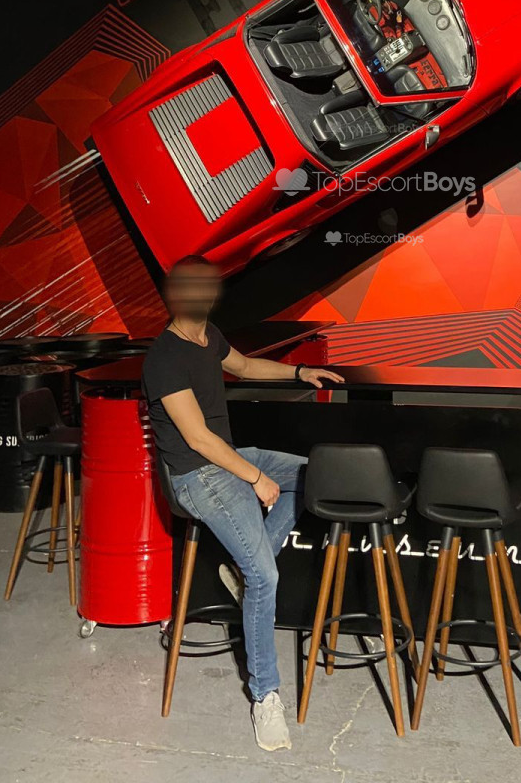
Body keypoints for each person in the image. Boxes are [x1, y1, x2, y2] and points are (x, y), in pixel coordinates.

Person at [141, 254, 343, 751]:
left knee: (313, 475)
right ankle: (265, 696)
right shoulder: (163, 358)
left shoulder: (209, 337)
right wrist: (255, 478)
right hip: (196, 476)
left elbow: (246, 365)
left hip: (226, 460)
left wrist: (300, 372)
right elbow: (198, 438)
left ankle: (247, 567)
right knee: (265, 577)